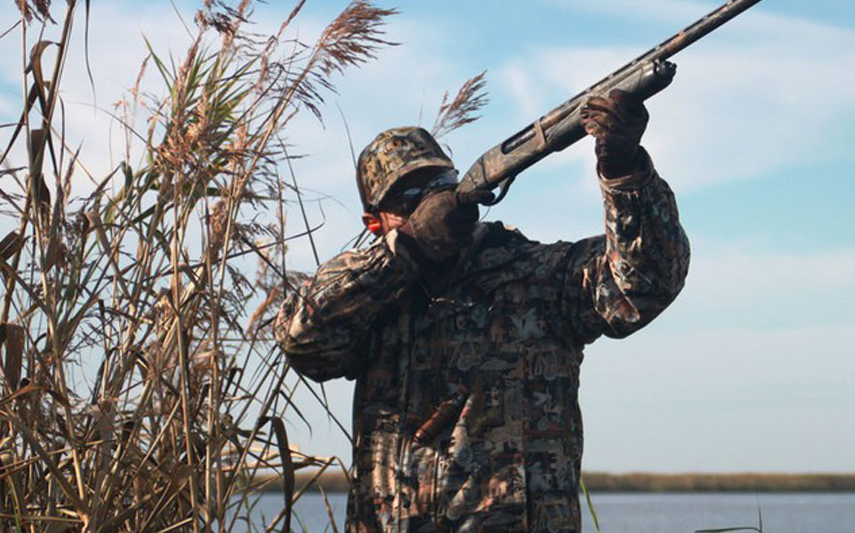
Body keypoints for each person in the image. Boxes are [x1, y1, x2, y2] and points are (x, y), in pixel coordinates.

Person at [273, 73, 690, 532]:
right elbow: (303, 340)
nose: (432, 202)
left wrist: (625, 172)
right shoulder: (371, 299)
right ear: (375, 222)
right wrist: (407, 249)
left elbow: (645, 284)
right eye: (410, 198)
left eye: (442, 184)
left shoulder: (538, 275)